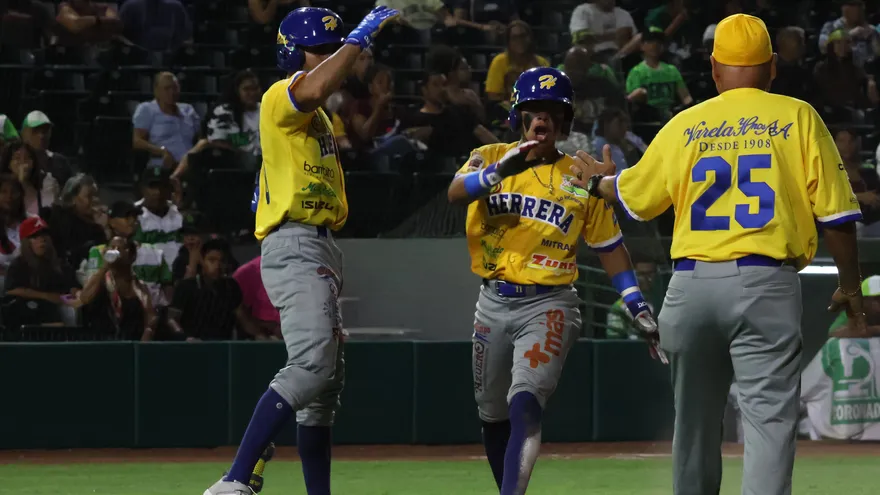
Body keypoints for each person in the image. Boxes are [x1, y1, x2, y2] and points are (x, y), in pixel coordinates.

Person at [572, 14, 866, 495]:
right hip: (765, 283)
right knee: (769, 422)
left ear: (713, 68)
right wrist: (850, 288)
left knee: (693, 428)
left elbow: (636, 198)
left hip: (690, 286)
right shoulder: (796, 116)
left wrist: (602, 183)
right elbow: (837, 219)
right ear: (772, 66)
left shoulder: (685, 123)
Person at [206, 6, 399, 495]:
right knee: (313, 363)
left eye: (334, 48)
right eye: (322, 48)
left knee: (324, 388)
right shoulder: (280, 95)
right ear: (293, 51)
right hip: (295, 241)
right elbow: (311, 88)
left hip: (321, 246)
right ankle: (236, 477)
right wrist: (356, 39)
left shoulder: (320, 118)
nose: (331, 56)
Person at [446, 67, 663, 495]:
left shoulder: (581, 176)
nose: (541, 119)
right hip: (492, 300)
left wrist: (636, 302)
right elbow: (455, 193)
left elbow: (610, 247)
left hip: (551, 303)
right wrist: (499, 171)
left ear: (564, 123)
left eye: (551, 112)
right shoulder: (487, 156)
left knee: (524, 401)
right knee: (491, 413)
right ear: (518, 117)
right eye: (533, 110)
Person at [79, 201, 173, 308]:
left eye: (135, 217)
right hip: (111, 313)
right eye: (127, 217)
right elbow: (89, 293)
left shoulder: (156, 253)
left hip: (152, 313)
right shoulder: (98, 252)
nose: (133, 221)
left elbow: (168, 286)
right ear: (112, 221)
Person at [174, 70, 263, 180]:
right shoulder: (226, 110)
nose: (252, 93)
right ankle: (176, 179)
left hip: (264, 156)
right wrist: (249, 139)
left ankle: (176, 175)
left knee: (203, 143)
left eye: (255, 88)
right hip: (239, 157)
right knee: (203, 147)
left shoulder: (267, 109)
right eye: (247, 89)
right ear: (237, 91)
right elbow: (220, 140)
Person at [168, 238, 258, 341]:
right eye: (212, 260)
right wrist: (185, 338)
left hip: (222, 348)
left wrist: (261, 335)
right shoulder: (186, 286)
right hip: (192, 347)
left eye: (222, 261)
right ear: (202, 261)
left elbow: (244, 319)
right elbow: (171, 319)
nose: (217, 266)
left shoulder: (231, 287)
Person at [3, 216, 80, 328]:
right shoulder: (18, 264)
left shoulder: (60, 264)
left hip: (58, 306)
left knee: (70, 312)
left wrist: (75, 293)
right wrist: (46, 296)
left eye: (44, 235)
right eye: (35, 236)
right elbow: (11, 290)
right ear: (25, 242)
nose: (42, 239)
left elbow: (73, 286)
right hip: (29, 310)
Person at [76, 236, 157, 341]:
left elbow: (151, 316)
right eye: (112, 247)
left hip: (131, 343)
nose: (115, 252)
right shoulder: (101, 280)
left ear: (131, 256)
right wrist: (105, 266)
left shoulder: (139, 286)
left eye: (120, 248)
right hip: (102, 342)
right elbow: (85, 298)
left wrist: (147, 335)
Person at [132, 72, 201, 170]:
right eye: (167, 88)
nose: (172, 92)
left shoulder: (188, 109)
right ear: (156, 91)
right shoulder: (147, 109)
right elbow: (137, 141)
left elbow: (200, 138)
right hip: (162, 166)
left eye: (175, 88)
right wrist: (162, 151)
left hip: (188, 166)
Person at [625, 30, 693, 122]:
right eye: (650, 41)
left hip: (671, 116)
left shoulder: (671, 70)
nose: (655, 45)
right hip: (647, 118)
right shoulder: (636, 72)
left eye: (658, 42)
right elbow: (631, 101)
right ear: (642, 46)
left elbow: (685, 97)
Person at [48, 174, 106, 269]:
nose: (95, 200)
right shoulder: (62, 222)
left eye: (96, 195)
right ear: (73, 199)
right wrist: (98, 228)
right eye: (89, 196)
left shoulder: (96, 221)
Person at [484, 20, 549, 103]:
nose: (519, 40)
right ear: (509, 42)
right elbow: (492, 95)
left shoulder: (542, 63)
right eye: (514, 37)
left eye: (523, 36)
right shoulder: (499, 61)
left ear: (530, 38)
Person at [134, 167, 182, 268]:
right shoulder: (132, 214)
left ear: (169, 189)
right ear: (142, 188)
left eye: (163, 186)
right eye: (152, 187)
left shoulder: (178, 214)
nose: (158, 192)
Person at [605, 255, 659, 338]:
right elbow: (613, 339)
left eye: (651, 274)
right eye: (642, 274)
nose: (648, 279)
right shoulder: (620, 307)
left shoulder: (663, 301)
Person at [0, 140, 58, 216]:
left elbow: (44, 214)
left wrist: (24, 183)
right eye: (17, 158)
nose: (23, 162)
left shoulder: (47, 182)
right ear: (8, 164)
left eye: (27, 158)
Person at [19, 110, 74, 187]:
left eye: (45, 131)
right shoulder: (15, 162)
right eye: (35, 131)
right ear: (24, 134)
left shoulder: (60, 162)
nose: (41, 136)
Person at [569, 0, 637, 61]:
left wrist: (598, 37)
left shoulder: (624, 14)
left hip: (620, 55)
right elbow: (583, 37)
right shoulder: (582, 10)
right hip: (593, 54)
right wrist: (615, 35)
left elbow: (630, 39)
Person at [233, 256, 281, 340]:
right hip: (263, 340)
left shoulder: (307, 268)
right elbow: (239, 312)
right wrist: (261, 331)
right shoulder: (246, 272)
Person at [118, 0, 192, 52]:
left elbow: (186, 35)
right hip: (136, 57)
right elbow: (119, 34)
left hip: (170, 58)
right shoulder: (130, 6)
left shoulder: (176, 6)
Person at [0, 175, 30, 289]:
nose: (9, 197)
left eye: (14, 192)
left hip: (29, 282)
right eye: (3, 192)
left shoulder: (33, 222)